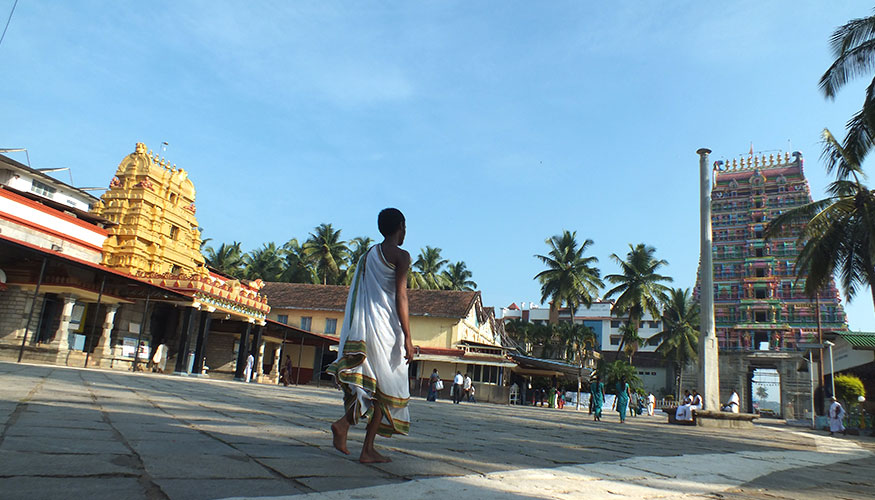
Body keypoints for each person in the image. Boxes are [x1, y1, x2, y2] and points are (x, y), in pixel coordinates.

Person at [327, 208, 414, 463]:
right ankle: (344, 425)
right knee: (386, 390)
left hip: (366, 327)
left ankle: (367, 449)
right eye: (405, 227)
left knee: (375, 390)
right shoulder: (401, 256)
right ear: (400, 226)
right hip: (387, 329)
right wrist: (408, 336)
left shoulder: (368, 256)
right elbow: (402, 296)